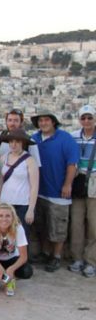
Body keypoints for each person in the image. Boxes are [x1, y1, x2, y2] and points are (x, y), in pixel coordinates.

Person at [31, 110, 79, 272]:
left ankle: (56, 256)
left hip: (59, 193)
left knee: (58, 227)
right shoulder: (34, 139)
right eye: (41, 120)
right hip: (40, 191)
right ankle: (45, 253)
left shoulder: (66, 139)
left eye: (46, 120)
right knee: (43, 225)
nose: (43, 123)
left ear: (53, 122)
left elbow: (72, 164)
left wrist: (67, 184)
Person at [0, 203, 33, 296]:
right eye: (1, 216)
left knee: (26, 271)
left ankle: (9, 278)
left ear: (13, 217)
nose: (4, 219)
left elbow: (24, 256)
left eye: (8, 216)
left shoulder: (18, 228)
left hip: (11, 259)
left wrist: (12, 268)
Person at [0, 129, 39, 241]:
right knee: (4, 235)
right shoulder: (3, 158)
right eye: (11, 141)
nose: (13, 144)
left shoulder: (30, 160)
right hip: (5, 203)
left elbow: (34, 186)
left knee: (21, 236)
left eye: (17, 142)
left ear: (22, 143)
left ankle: (22, 258)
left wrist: (31, 209)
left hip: (22, 204)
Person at [69, 105, 96, 277]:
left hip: (94, 182)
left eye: (89, 118)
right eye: (83, 118)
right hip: (78, 183)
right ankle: (77, 258)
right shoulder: (73, 137)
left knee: (94, 225)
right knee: (76, 224)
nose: (86, 121)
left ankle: (91, 260)